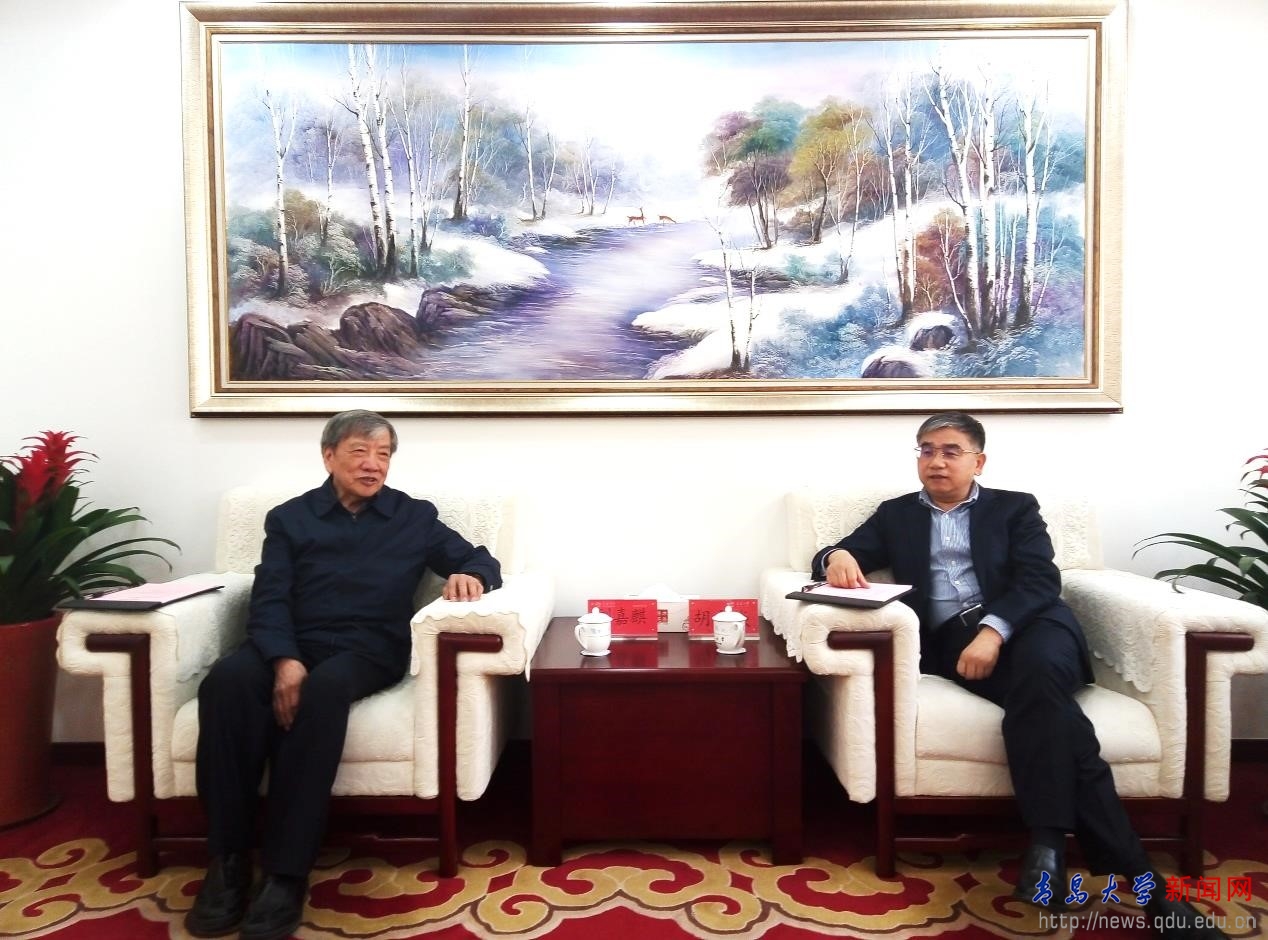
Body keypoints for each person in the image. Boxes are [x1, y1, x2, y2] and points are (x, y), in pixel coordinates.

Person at [810, 412, 1226, 940]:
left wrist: (994, 631)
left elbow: (1039, 580)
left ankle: (1050, 841)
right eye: (926, 449)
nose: (936, 461)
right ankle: (1140, 885)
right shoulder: (897, 515)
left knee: (1040, 679)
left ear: (978, 461)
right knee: (1055, 715)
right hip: (955, 644)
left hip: (1034, 627)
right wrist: (837, 554)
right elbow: (828, 557)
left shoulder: (1015, 508)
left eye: (951, 451)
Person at [186, 410, 502, 940]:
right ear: (329, 455)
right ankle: (228, 861)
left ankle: (285, 873)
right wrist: (284, 659)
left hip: (367, 648)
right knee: (226, 682)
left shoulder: (413, 517)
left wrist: (471, 575)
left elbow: (478, 558)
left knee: (325, 690)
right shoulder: (290, 519)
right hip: (291, 638)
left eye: (383, 454)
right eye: (360, 451)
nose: (373, 464)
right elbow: (269, 597)